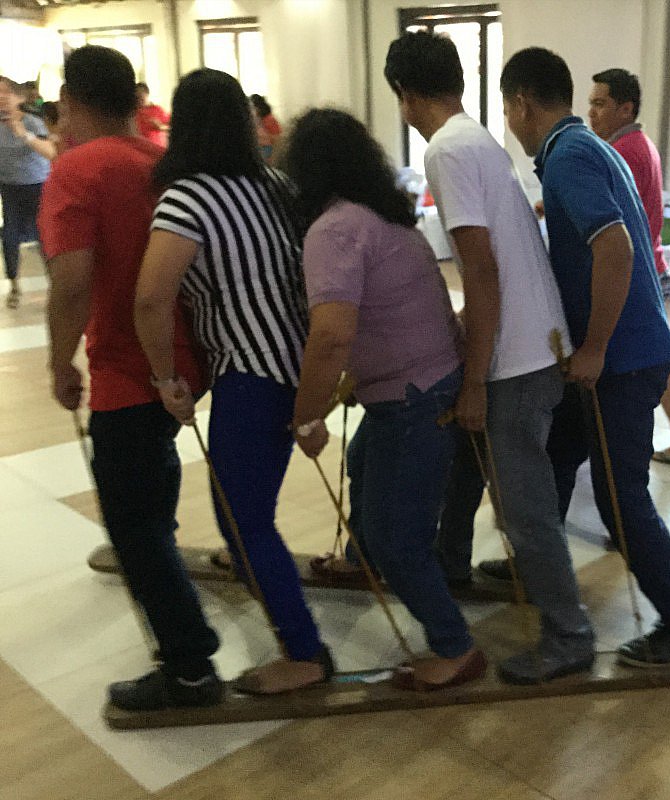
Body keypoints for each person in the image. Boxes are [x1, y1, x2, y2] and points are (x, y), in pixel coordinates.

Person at [385, 30, 595, 684]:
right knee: (467, 458)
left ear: (405, 95)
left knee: (523, 512)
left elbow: (480, 271)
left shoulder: (446, 151)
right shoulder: (475, 138)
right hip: (534, 341)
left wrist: (474, 378)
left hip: (520, 358)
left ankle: (570, 636)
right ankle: (449, 563)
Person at [499, 47, 670, 667]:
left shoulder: (569, 155)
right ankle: (538, 567)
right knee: (555, 461)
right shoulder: (583, 147)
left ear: (521, 104)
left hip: (621, 360)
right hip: (618, 354)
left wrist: (593, 347)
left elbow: (615, 248)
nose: (510, 123)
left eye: (508, 110)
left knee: (621, 499)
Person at [134, 68, 331, 695]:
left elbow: (151, 298)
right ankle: (289, 622)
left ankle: (305, 653)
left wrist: (165, 378)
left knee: (245, 523)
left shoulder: (187, 198)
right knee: (248, 513)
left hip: (249, 374)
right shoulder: (275, 184)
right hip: (297, 365)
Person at [40, 45, 222, 711]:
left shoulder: (77, 170)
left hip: (126, 367)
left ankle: (189, 666)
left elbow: (71, 282)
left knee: (131, 527)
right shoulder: (161, 161)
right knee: (151, 480)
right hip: (186, 359)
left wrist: (59, 362)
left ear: (69, 101)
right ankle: (163, 548)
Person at [283, 107, 487, 691]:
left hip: (412, 396)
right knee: (363, 459)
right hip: (423, 382)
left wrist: (306, 417)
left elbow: (331, 335)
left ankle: (455, 647)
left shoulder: (334, 229)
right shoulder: (381, 215)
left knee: (400, 540)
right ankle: (361, 559)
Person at [587, 67, 670, 472]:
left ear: (625, 109)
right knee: (654, 360)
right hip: (649, 266)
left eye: (600, 104)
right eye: (591, 103)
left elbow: (612, 221)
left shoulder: (625, 150)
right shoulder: (637, 143)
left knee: (650, 363)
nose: (592, 113)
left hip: (639, 273)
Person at [0, 76, 54, 309]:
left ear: (18, 97)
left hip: (37, 186)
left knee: (45, 236)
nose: (1, 98)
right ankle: (14, 285)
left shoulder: (32, 122)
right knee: (9, 238)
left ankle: (55, 284)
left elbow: (51, 152)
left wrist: (23, 133)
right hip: (9, 187)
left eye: (5, 93)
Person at [134, 83, 169, 148]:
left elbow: (173, 127)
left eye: (141, 96)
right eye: (136, 98)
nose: (138, 100)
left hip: (157, 149)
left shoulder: (158, 109)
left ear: (147, 94)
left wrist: (161, 127)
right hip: (140, 149)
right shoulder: (133, 113)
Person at [250, 94, 281, 162]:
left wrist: (273, 157)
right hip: (259, 148)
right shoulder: (256, 119)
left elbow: (277, 139)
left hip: (267, 149)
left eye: (252, 107)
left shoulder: (269, 119)